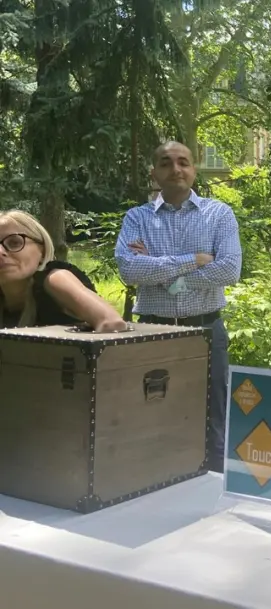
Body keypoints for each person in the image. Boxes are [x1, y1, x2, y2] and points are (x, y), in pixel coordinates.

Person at [115, 141, 242, 473]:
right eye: (166, 163)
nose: (176, 169)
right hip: (152, 330)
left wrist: (165, 277)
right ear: (154, 173)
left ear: (194, 169)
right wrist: (194, 260)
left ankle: (214, 480)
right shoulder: (137, 218)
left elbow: (229, 269)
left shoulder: (219, 214)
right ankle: (154, 478)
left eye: (183, 162)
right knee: (150, 411)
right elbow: (129, 269)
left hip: (205, 329)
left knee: (213, 415)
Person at [0, 210, 126, 331]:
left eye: (14, 242)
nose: (0, 252)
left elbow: (112, 323)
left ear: (42, 251)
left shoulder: (56, 278)